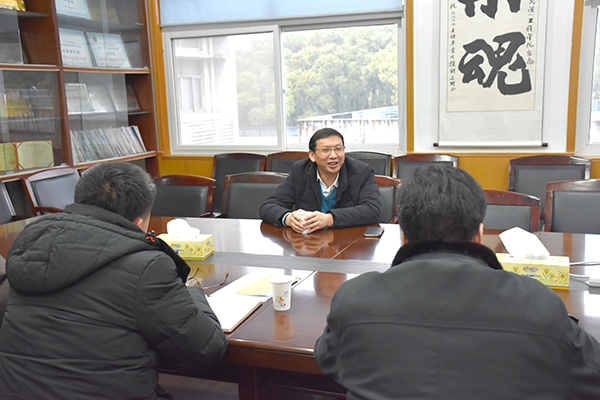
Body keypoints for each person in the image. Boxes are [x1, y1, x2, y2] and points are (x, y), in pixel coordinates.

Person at [314, 165, 600, 399]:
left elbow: (328, 359)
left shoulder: (354, 299)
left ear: (402, 236)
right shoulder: (540, 304)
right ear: (479, 234)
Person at [0, 162, 227, 400]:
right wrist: (193, 292)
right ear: (139, 224)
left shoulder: (32, 247)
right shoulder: (147, 267)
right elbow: (205, 352)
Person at [260, 128, 381, 233]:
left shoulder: (362, 172)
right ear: (312, 155)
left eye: (338, 149)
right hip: (309, 243)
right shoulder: (300, 171)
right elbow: (268, 206)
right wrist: (288, 218)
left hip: (348, 241)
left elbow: (372, 210)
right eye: (325, 150)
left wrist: (329, 219)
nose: (333, 155)